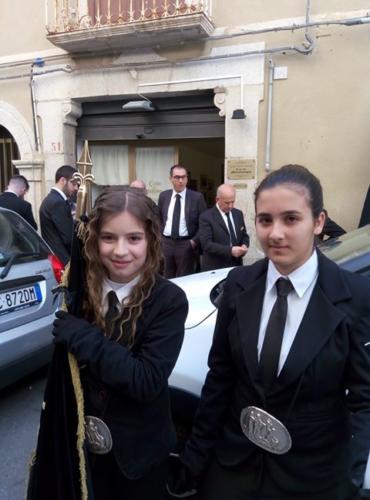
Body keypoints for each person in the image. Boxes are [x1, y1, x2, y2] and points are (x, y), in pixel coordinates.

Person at [168, 164, 370, 500]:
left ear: (318, 222)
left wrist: (349, 476)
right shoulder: (238, 286)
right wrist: (196, 459)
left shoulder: (355, 296)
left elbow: (364, 399)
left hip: (313, 478)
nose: (275, 233)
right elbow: (220, 377)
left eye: (291, 219)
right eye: (265, 220)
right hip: (233, 469)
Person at [51, 186, 188, 500]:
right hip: (83, 450)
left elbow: (146, 380)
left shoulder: (168, 300)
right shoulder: (79, 291)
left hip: (139, 459)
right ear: (94, 239)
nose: (120, 251)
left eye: (134, 238)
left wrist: (84, 337)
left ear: (151, 240)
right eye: (109, 237)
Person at [158, 165, 206, 278]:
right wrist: (160, 238)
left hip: (186, 244)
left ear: (187, 179)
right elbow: (158, 218)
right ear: (170, 179)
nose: (180, 180)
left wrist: (193, 242)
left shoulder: (197, 197)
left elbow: (204, 223)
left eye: (183, 177)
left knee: (185, 279)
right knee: (166, 278)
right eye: (177, 177)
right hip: (166, 244)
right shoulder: (164, 196)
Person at [199, 183, 249, 271]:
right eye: (227, 202)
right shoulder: (206, 217)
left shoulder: (238, 214)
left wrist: (244, 245)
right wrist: (230, 251)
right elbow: (206, 244)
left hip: (236, 266)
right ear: (217, 199)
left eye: (233, 202)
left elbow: (244, 235)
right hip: (216, 267)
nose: (231, 206)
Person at [39, 165, 79, 265]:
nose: (76, 188)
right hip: (63, 260)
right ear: (63, 180)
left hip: (57, 258)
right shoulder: (57, 202)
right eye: (73, 184)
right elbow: (68, 237)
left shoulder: (52, 199)